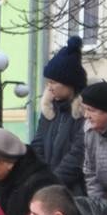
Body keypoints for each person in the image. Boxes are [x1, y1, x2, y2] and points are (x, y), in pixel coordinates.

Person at [33, 38, 87, 199]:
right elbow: (38, 146)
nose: (49, 87)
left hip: (76, 192)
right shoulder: (49, 110)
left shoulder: (84, 113)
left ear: (69, 83)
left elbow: (78, 154)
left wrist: (53, 183)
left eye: (53, 82)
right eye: (48, 82)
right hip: (49, 188)